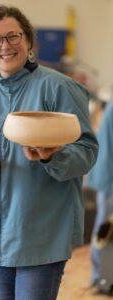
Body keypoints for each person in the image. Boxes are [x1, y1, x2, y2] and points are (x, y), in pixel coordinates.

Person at [0, 5, 98, 299]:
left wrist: (52, 155)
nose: (5, 46)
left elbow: (86, 153)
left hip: (41, 235)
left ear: (28, 40)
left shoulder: (60, 87)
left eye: (13, 36)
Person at [86, 98, 113, 290]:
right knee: (106, 228)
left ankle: (103, 278)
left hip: (106, 175)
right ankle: (102, 280)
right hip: (109, 178)